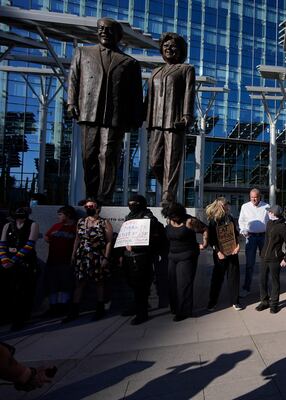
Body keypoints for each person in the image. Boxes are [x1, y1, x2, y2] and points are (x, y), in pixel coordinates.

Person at [67, 18, 143, 203]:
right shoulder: (83, 52)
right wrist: (71, 103)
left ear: (118, 35)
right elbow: (74, 79)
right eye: (101, 28)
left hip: (115, 115)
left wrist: (136, 118)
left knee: (108, 156)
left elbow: (136, 94)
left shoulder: (129, 62)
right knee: (88, 155)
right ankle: (91, 195)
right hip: (89, 111)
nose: (103, 32)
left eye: (108, 30)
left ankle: (104, 197)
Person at [146, 32, 195, 201]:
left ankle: (168, 194)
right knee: (154, 161)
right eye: (166, 46)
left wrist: (187, 116)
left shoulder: (185, 69)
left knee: (171, 161)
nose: (169, 49)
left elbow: (189, 93)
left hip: (175, 122)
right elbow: (149, 97)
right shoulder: (155, 72)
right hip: (156, 122)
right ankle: (168, 190)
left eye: (173, 46)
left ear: (181, 50)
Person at [62, 199, 113, 323]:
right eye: (86, 206)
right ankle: (74, 311)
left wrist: (106, 257)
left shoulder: (104, 222)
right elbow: (77, 239)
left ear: (98, 208)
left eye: (91, 205)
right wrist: (73, 254)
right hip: (82, 256)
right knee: (79, 283)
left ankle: (99, 309)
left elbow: (109, 241)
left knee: (99, 283)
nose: (88, 207)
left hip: (97, 256)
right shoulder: (81, 222)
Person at [121, 195, 165, 325]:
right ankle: (137, 306)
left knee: (141, 285)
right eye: (130, 202)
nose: (131, 205)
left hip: (142, 256)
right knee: (132, 284)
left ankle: (142, 313)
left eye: (134, 203)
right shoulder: (129, 216)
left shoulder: (147, 215)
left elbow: (151, 225)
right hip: (129, 256)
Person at [0, 206, 40, 330]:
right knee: (10, 289)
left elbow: (30, 244)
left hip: (25, 261)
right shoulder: (8, 226)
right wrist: (4, 259)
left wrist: (13, 260)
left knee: (24, 290)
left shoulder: (33, 225)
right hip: (9, 261)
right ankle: (9, 316)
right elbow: (2, 243)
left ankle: (20, 318)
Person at [165, 202, 206, 321]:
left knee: (184, 284)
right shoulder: (169, 221)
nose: (173, 219)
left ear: (180, 213)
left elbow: (205, 229)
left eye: (175, 216)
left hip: (187, 255)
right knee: (172, 284)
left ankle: (184, 311)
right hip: (173, 256)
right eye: (170, 216)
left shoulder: (189, 221)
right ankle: (175, 308)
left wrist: (204, 244)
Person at [206, 197, 242, 311]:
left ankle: (235, 301)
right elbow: (211, 239)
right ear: (221, 206)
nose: (228, 206)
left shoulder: (230, 218)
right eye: (226, 204)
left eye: (228, 204)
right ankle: (212, 302)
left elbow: (236, 234)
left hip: (232, 253)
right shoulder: (213, 221)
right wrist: (217, 252)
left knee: (234, 278)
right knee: (217, 278)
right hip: (220, 254)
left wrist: (238, 246)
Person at [256, 205, 286, 314]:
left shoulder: (283, 227)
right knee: (262, 280)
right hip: (264, 257)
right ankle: (264, 301)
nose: (267, 213)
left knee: (275, 281)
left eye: (269, 212)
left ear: (274, 214)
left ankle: (274, 304)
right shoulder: (269, 223)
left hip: (275, 258)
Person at [44, 205, 77, 317]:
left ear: (68, 215)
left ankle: (63, 306)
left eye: (60, 214)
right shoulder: (56, 226)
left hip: (66, 261)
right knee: (52, 285)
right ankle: (53, 306)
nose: (58, 217)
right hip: (52, 260)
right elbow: (47, 237)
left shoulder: (74, 227)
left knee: (65, 284)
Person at [237, 189, 269, 297]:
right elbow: (241, 221)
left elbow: (270, 222)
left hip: (263, 237)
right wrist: (243, 230)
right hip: (250, 237)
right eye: (251, 197)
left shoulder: (266, 206)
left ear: (260, 197)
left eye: (255, 197)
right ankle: (246, 288)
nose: (254, 199)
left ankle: (265, 289)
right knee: (249, 264)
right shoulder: (245, 206)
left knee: (265, 263)